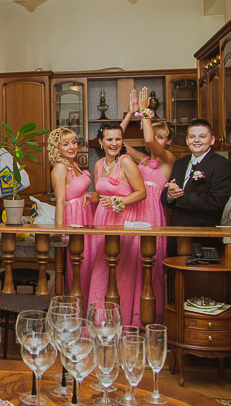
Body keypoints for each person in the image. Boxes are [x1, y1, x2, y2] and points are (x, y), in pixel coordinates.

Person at [120, 87, 176, 323]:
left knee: (150, 266)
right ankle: (130, 315)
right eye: (157, 135)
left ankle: (150, 319)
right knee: (129, 264)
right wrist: (130, 114)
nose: (157, 140)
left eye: (163, 137)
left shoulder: (168, 160)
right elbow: (116, 141)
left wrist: (145, 112)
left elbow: (149, 140)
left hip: (152, 215)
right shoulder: (142, 161)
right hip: (134, 213)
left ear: (168, 140)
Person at [86, 122, 147, 325]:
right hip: (102, 220)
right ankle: (98, 324)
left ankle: (120, 324)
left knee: (121, 274)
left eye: (118, 139)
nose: (114, 143)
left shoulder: (126, 162)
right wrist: (88, 197)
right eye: (109, 139)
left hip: (122, 220)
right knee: (100, 271)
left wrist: (119, 202)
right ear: (101, 142)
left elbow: (141, 192)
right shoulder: (99, 164)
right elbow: (99, 193)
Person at [161, 118, 231, 255]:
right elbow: (165, 198)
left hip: (203, 237)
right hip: (176, 234)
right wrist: (170, 195)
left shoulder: (222, 165)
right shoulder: (180, 163)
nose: (196, 140)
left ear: (212, 140)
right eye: (192, 137)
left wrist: (181, 196)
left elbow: (216, 201)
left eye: (202, 136)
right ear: (187, 140)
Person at [47, 127, 95, 295]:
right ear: (57, 148)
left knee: (89, 264)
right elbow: (60, 201)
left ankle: (88, 302)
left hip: (86, 217)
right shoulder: (60, 168)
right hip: (74, 219)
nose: (72, 147)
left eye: (74, 142)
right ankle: (76, 306)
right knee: (78, 266)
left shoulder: (74, 165)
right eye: (65, 144)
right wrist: (60, 230)